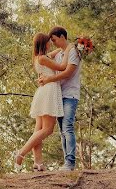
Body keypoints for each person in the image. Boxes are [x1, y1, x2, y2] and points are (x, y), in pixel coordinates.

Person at [13, 32, 72, 171]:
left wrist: (63, 48)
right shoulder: (43, 59)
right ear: (44, 43)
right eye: (49, 41)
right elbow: (63, 67)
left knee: (38, 130)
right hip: (49, 92)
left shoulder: (40, 58)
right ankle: (21, 153)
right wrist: (69, 49)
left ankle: (38, 163)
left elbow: (52, 53)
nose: (51, 43)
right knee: (47, 129)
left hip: (43, 92)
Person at [38, 26, 81, 171]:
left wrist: (49, 79)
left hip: (70, 94)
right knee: (62, 129)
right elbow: (44, 58)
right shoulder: (62, 53)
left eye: (55, 40)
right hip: (58, 95)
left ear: (62, 36)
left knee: (68, 127)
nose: (54, 43)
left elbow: (68, 72)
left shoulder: (74, 52)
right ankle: (66, 163)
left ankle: (70, 163)